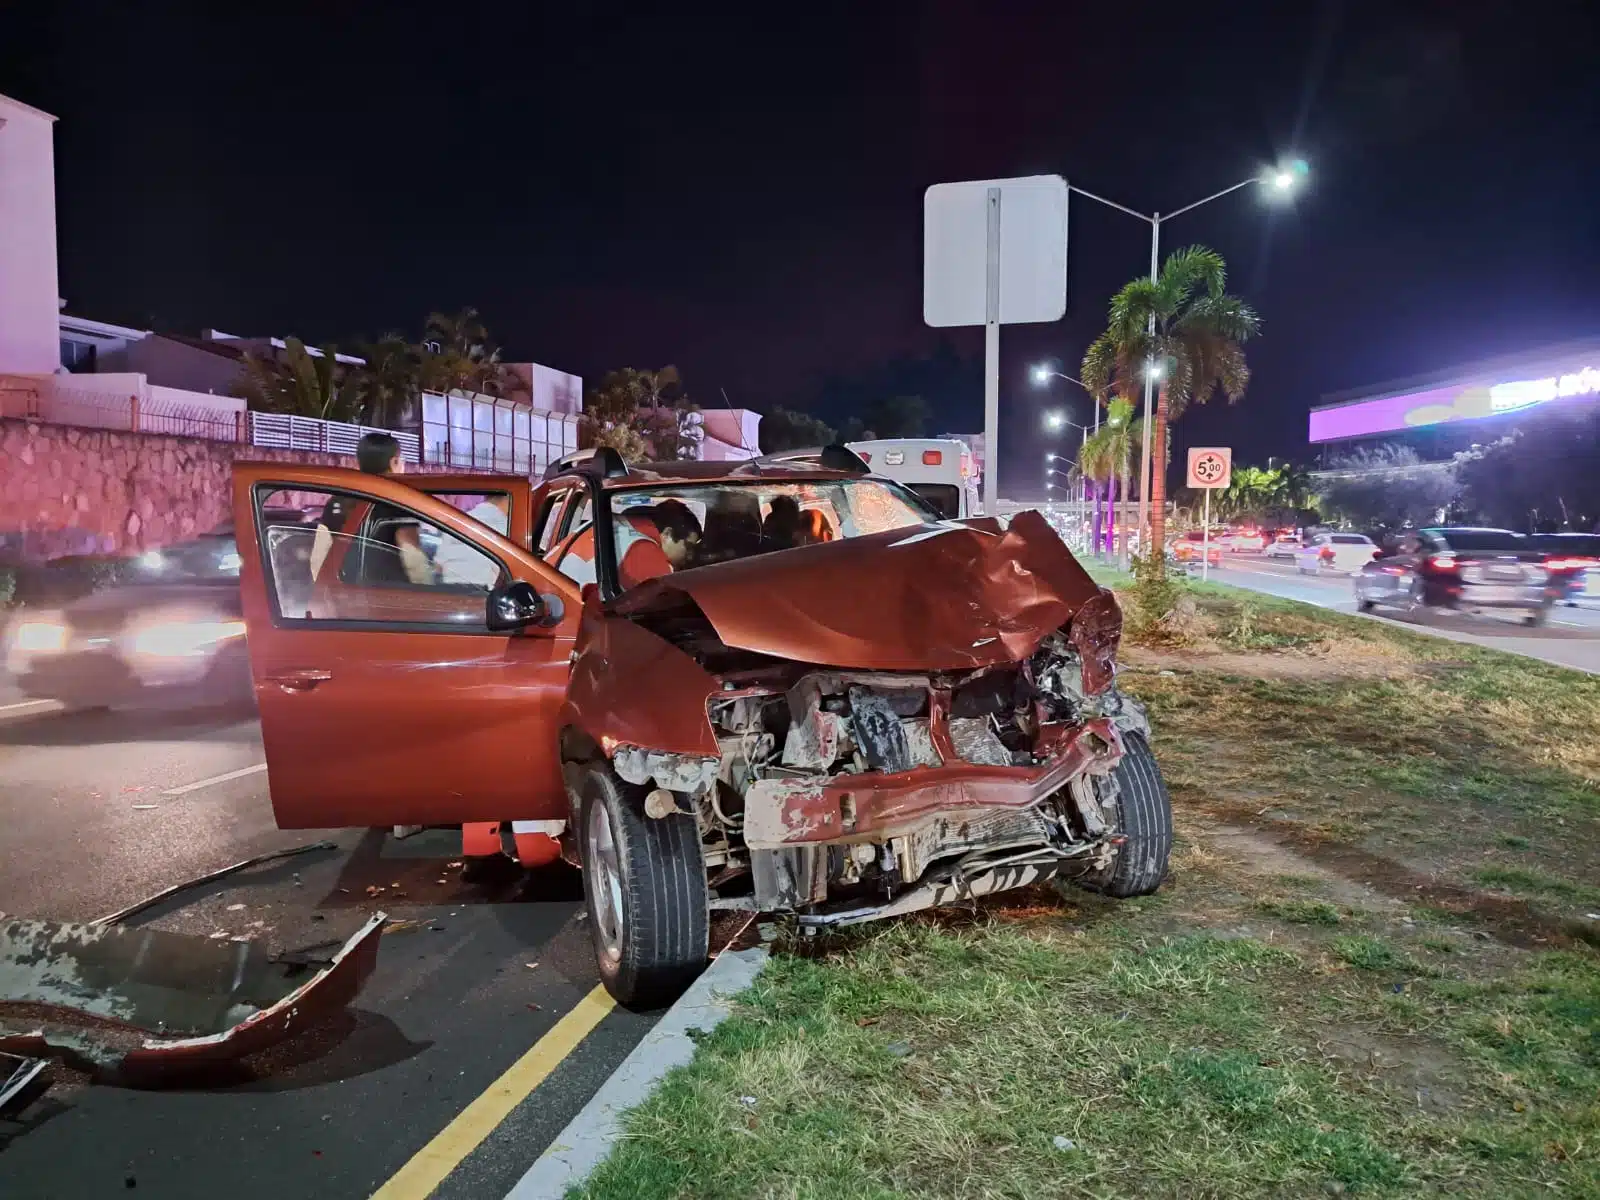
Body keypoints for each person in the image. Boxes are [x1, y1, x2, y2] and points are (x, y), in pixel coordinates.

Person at [310, 432, 431, 584]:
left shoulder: (337, 502)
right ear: (394, 462)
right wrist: (430, 595)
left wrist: (330, 597)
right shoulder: (399, 502)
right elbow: (414, 561)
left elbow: (318, 559)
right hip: (390, 599)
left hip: (348, 597)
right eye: (402, 460)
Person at [434, 493, 509, 588]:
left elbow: (439, 567)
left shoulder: (456, 522)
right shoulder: (507, 527)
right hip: (484, 597)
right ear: (507, 499)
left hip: (449, 594)